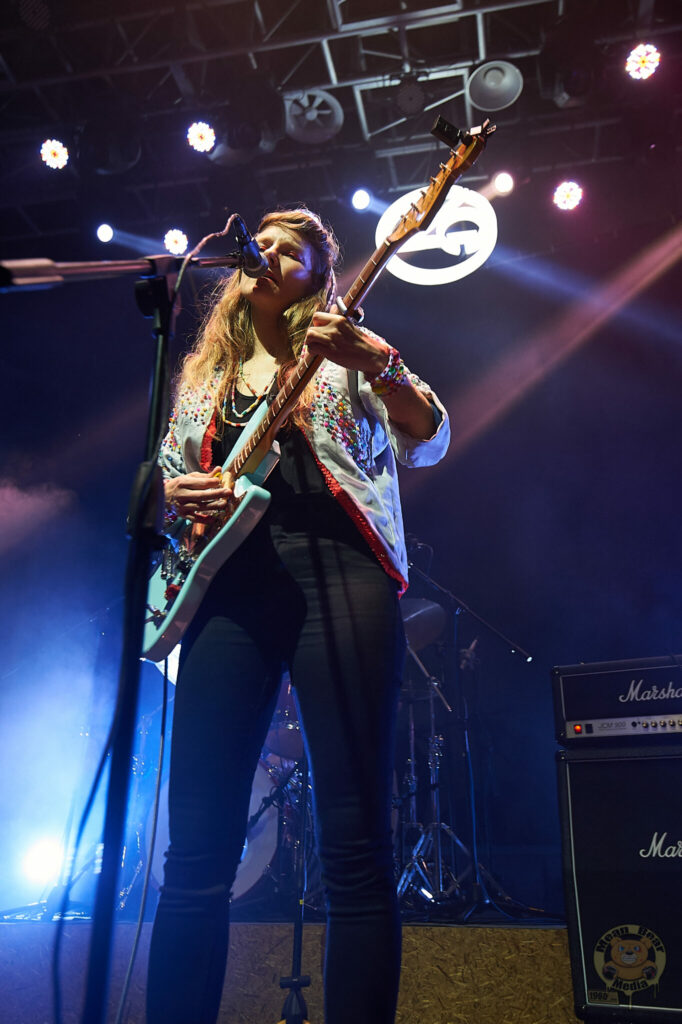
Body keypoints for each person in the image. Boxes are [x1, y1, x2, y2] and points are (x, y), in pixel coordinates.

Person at [146, 207, 450, 1024]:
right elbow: (172, 485)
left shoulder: (347, 352)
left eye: (295, 250)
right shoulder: (203, 378)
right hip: (228, 592)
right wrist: (180, 494)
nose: (270, 255)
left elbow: (429, 435)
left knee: (357, 849)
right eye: (265, 245)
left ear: (323, 276)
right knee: (197, 852)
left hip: (343, 578)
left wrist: (379, 362)